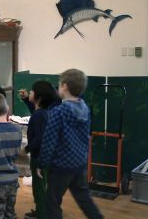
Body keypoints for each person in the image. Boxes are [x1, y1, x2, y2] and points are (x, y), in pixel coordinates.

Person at [37, 69, 104, 219]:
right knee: (84, 198)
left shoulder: (58, 112)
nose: (58, 87)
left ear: (65, 86)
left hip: (61, 166)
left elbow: (49, 141)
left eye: (59, 85)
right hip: (79, 163)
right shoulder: (85, 108)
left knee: (52, 202)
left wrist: (41, 164)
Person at [23, 81, 59, 219]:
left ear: (39, 97)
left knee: (39, 190)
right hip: (45, 157)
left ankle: (42, 214)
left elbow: (39, 138)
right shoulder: (43, 112)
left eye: (32, 91)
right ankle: (40, 211)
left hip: (39, 158)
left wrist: (26, 149)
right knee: (41, 188)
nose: (29, 92)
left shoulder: (39, 115)